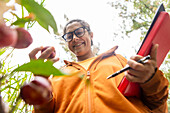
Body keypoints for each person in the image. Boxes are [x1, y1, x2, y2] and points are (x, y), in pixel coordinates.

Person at [26, 19, 168, 113]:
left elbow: (157, 105)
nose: (75, 38)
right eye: (69, 36)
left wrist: (150, 79)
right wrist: (40, 85)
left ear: (91, 35)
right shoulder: (57, 76)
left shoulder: (119, 61)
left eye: (79, 32)